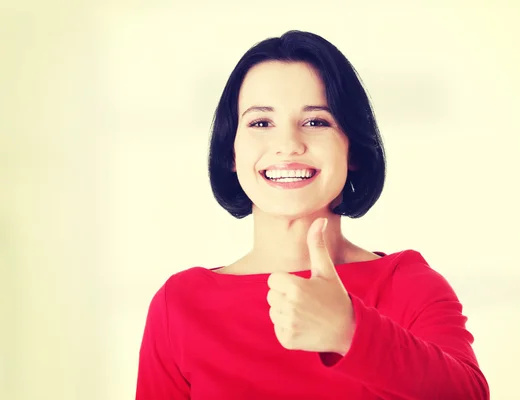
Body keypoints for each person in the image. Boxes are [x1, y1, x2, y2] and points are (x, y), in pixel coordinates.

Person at [135, 30, 490, 399]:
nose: (288, 144)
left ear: (353, 150)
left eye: (316, 121)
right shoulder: (179, 305)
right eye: (260, 123)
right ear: (231, 152)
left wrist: (349, 331)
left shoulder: (409, 285)